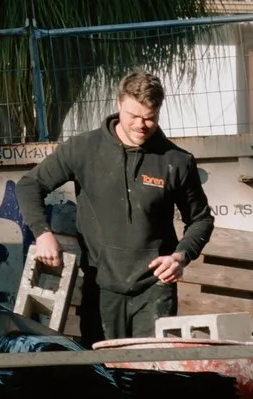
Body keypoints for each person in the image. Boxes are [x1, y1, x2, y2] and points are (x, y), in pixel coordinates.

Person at [15, 64, 213, 341]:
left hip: (156, 288)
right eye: (133, 115)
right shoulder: (83, 148)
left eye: (150, 118)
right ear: (118, 103)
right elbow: (29, 185)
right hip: (101, 286)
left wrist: (181, 256)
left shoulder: (176, 161)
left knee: (150, 366)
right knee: (103, 366)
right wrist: (42, 233)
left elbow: (201, 220)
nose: (141, 125)